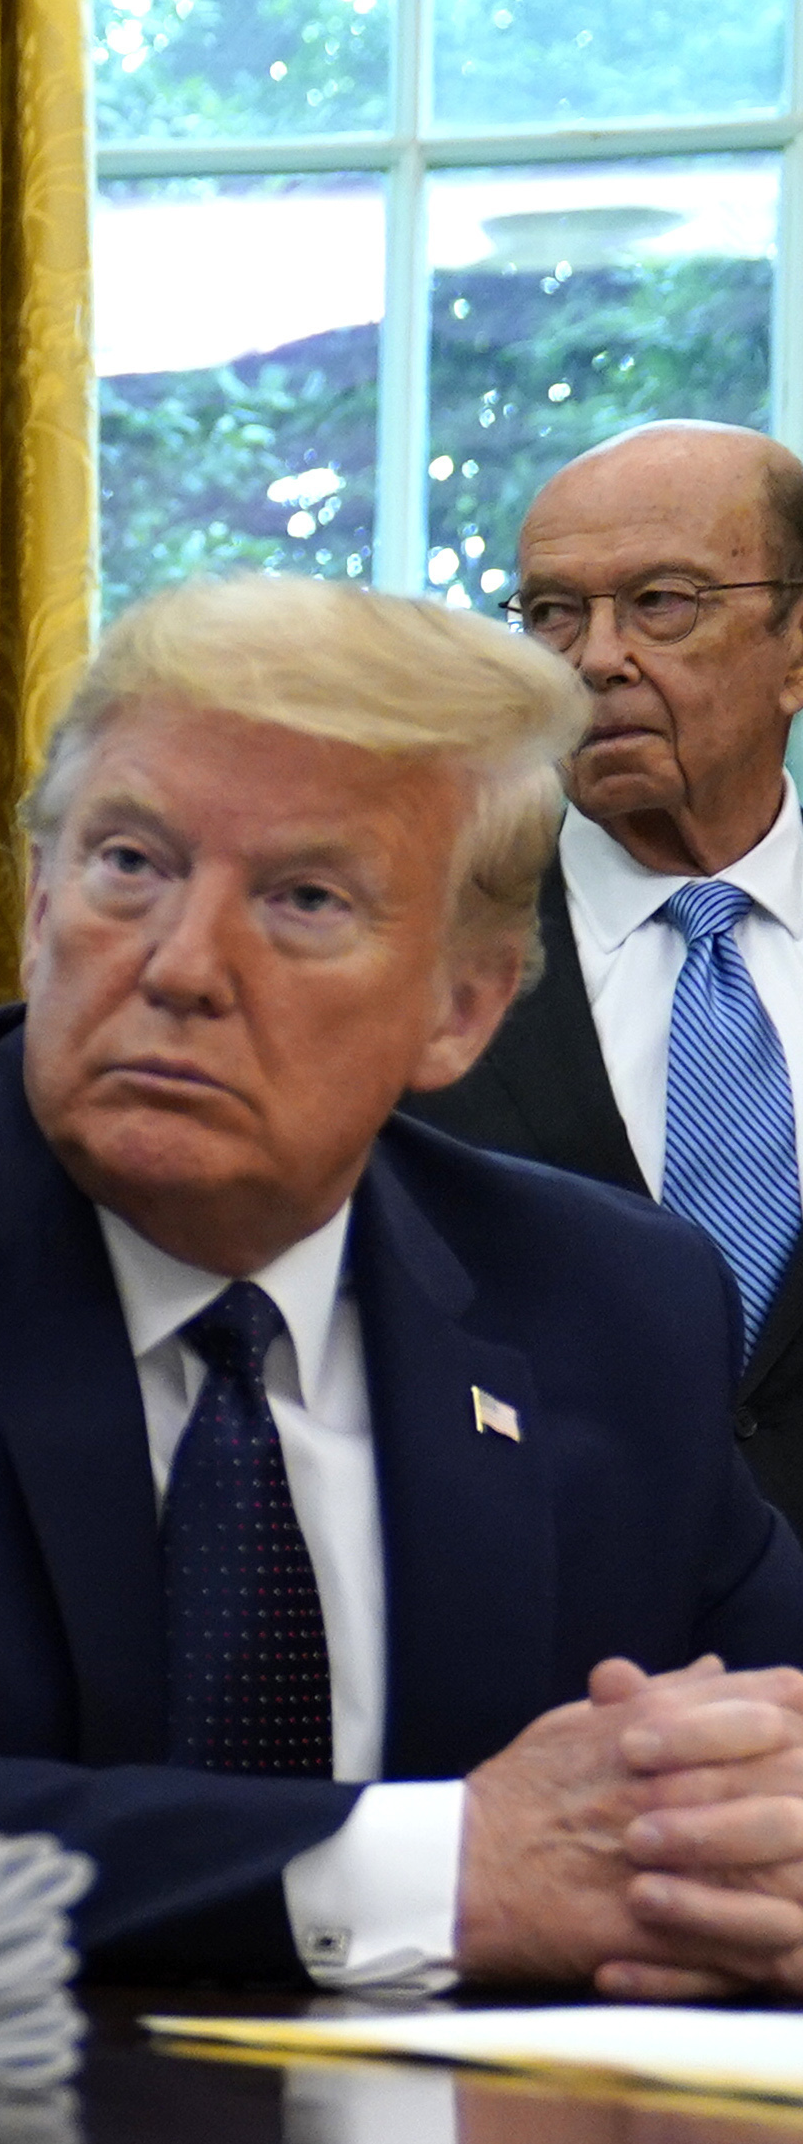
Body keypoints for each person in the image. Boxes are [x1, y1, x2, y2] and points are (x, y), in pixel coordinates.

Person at [0, 568, 803, 1988]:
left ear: (463, 1008)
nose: (183, 966)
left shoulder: (610, 1301)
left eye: (305, 899)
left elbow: (760, 1756)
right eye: (132, 865)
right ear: (38, 899)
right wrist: (438, 1869)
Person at [420, 418, 803, 1526]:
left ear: (794, 646)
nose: (594, 658)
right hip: (538, 1629)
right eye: (551, 612)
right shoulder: (413, 952)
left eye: (661, 602)